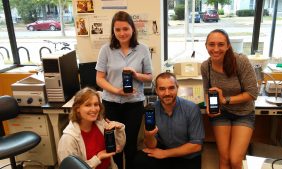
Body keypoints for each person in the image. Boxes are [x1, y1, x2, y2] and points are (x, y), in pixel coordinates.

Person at [95, 11, 153, 169]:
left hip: (134, 104)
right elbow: (99, 78)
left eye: (125, 29)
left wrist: (136, 74)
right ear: (113, 31)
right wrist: (116, 91)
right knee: (115, 144)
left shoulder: (142, 49)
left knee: (131, 143)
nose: (122, 33)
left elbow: (149, 77)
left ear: (132, 29)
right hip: (111, 103)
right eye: (117, 29)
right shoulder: (105, 50)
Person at [201, 29, 258, 169]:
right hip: (221, 114)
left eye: (220, 44)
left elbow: (252, 93)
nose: (215, 49)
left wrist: (225, 99)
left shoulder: (240, 61)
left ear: (228, 46)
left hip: (243, 113)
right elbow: (207, 91)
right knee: (224, 158)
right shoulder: (205, 66)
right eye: (211, 44)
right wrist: (209, 105)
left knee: (235, 159)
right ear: (206, 45)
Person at [134, 72, 205, 169]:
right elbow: (152, 145)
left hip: (187, 157)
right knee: (139, 160)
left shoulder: (192, 108)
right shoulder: (152, 110)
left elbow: (196, 146)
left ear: (177, 88)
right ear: (156, 91)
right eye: (162, 89)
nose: (167, 93)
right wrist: (148, 136)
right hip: (165, 156)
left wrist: (165, 153)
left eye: (171, 88)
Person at [57, 87, 126, 169]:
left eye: (96, 104)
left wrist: (119, 130)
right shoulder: (68, 139)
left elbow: (118, 148)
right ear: (77, 108)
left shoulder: (100, 123)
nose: (93, 109)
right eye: (88, 105)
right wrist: (98, 158)